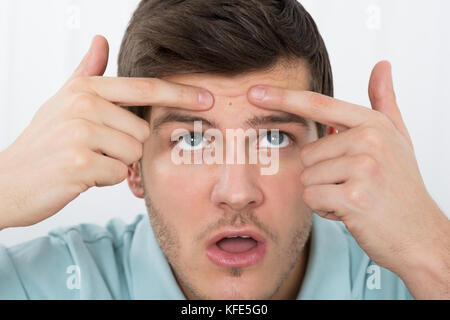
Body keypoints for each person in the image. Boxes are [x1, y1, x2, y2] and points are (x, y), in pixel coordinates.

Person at [0, 0, 448, 300]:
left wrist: (430, 250)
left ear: (329, 149)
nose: (237, 192)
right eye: (192, 141)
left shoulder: (409, 279)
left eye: (274, 138)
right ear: (133, 166)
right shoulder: (41, 283)